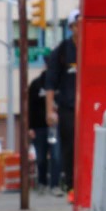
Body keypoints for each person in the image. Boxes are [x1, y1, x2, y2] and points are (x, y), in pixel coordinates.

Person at [41, 22, 79, 193]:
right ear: (71, 27)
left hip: (91, 106)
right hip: (68, 106)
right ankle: (71, 183)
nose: (80, 28)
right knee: (69, 145)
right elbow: (50, 83)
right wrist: (50, 110)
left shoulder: (94, 46)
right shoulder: (62, 51)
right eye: (76, 25)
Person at [27, 72, 53, 188]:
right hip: (39, 127)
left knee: (56, 157)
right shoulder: (36, 84)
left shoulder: (58, 82)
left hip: (54, 127)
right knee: (41, 157)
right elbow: (30, 107)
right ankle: (42, 181)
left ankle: (55, 184)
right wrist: (30, 127)